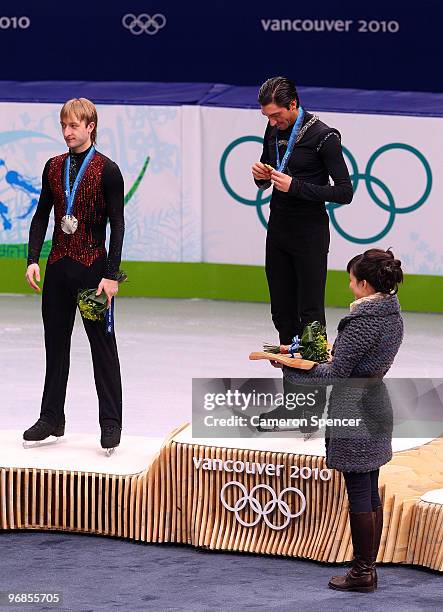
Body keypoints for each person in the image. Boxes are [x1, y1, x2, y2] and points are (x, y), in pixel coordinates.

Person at [283, 248, 404, 592]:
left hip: (354, 408)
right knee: (370, 490)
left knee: (359, 493)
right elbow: (346, 361)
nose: (349, 285)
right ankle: (368, 568)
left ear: (365, 285)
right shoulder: (393, 316)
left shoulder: (362, 322)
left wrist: (293, 370)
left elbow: (336, 373)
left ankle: (362, 572)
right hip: (376, 401)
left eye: (351, 280)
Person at [23, 98, 125, 453]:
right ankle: (51, 417)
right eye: (63, 126)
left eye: (74, 126)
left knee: (102, 346)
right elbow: (40, 216)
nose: (67, 132)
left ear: (90, 126)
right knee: (56, 344)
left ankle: (111, 422)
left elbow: (118, 225)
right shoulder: (53, 167)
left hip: (93, 271)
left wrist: (112, 275)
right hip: (57, 269)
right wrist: (32, 258)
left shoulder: (108, 170)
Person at [252, 76, 353, 347]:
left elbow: (344, 192)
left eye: (276, 115)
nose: (272, 122)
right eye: (267, 116)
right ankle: (292, 383)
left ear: (293, 104)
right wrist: (261, 177)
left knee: (309, 312)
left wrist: (295, 186)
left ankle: (315, 383)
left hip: (310, 232)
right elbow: (270, 175)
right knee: (282, 311)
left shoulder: (324, 136)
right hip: (278, 229)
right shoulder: (272, 130)